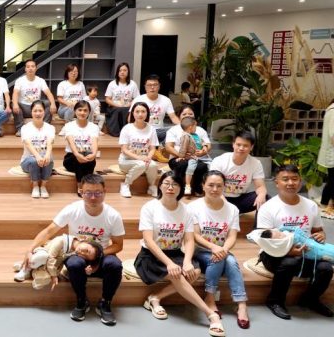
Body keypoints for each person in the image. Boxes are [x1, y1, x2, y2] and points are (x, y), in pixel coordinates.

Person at [22, 174, 125, 325]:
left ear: (105, 192)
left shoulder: (113, 215)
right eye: (88, 193)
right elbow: (49, 231)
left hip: (101, 254)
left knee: (115, 265)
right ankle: (82, 301)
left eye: (98, 193)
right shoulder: (72, 209)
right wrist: (30, 249)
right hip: (77, 253)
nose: (93, 197)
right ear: (81, 192)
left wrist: (97, 256)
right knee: (74, 264)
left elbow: (118, 245)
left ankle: (105, 302)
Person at [135, 171, 225, 337]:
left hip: (175, 252)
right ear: (160, 186)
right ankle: (210, 314)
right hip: (151, 255)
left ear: (181, 188)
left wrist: (187, 261)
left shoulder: (186, 210)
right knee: (176, 274)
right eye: (167, 183)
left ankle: (155, 298)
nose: (170, 187)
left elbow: (189, 240)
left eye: (175, 184)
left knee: (194, 271)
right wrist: (169, 263)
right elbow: (149, 241)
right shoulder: (149, 207)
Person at [257, 164, 333, 320]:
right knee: (291, 262)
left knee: (326, 268)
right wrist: (288, 251)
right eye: (285, 179)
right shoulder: (268, 207)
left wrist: (320, 236)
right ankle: (274, 301)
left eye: (294, 179)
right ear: (276, 183)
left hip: (305, 253)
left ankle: (310, 299)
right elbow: (264, 241)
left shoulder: (311, 205)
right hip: (272, 254)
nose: (290, 183)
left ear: (300, 181)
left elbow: (318, 230)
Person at [189, 171, 250, 329]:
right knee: (222, 259)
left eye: (219, 186)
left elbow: (232, 236)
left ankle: (240, 304)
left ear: (224, 187)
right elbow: (195, 235)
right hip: (199, 250)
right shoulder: (193, 207)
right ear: (203, 186)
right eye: (211, 185)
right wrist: (214, 247)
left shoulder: (232, 209)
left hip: (222, 250)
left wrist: (223, 249)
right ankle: (211, 298)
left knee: (230, 261)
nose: (215, 189)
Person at [209, 130, 267, 214]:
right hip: (220, 197)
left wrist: (261, 196)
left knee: (265, 197)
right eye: (238, 145)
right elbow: (213, 186)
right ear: (233, 144)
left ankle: (257, 224)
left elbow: (260, 186)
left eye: (245, 146)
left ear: (251, 147)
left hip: (240, 199)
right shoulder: (219, 161)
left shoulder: (256, 163)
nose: (241, 148)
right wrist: (226, 205)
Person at [165, 106, 211, 195]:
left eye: (190, 114)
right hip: (178, 157)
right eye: (184, 114)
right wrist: (181, 155)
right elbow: (168, 147)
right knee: (183, 164)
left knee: (202, 166)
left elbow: (207, 144)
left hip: (196, 158)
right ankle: (180, 187)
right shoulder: (173, 130)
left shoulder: (200, 130)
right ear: (179, 116)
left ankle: (197, 188)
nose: (187, 116)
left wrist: (204, 151)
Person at [118, 102, 159, 198]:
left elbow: (152, 148)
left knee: (153, 165)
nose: (140, 114)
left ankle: (151, 186)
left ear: (147, 113)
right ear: (132, 113)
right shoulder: (127, 128)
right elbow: (124, 150)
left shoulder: (151, 129)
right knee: (141, 164)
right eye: (137, 111)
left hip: (144, 160)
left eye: (143, 111)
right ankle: (126, 184)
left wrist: (148, 158)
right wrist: (140, 158)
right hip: (126, 161)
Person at [12, 59, 57, 137]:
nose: (30, 68)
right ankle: (20, 129)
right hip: (24, 108)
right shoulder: (20, 80)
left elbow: (48, 93)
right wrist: (15, 104)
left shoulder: (40, 80)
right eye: (28, 67)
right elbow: (15, 93)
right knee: (14, 104)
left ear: (36, 68)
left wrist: (53, 104)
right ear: (25, 69)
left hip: (36, 108)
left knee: (49, 103)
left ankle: (44, 127)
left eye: (32, 66)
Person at [19, 100, 55, 199]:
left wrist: (47, 155)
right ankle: (35, 186)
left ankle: (43, 186)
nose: (38, 113)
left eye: (40, 111)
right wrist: (38, 156)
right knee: (34, 161)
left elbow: (50, 143)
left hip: (44, 160)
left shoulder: (50, 128)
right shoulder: (25, 128)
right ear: (31, 112)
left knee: (49, 159)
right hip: (28, 161)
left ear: (44, 112)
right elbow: (28, 144)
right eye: (35, 111)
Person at [130, 74, 179, 144]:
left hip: (159, 131)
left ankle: (159, 145)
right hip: (143, 130)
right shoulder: (138, 99)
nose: (152, 87)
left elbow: (173, 117)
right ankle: (157, 144)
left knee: (173, 130)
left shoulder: (166, 100)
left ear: (159, 86)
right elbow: (130, 118)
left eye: (155, 85)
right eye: (149, 85)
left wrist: (182, 126)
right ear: (145, 87)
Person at [61, 100, 99, 186]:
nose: (82, 113)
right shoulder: (69, 126)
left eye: (85, 110)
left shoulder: (94, 127)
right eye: (80, 110)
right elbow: (71, 143)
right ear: (75, 111)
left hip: (87, 156)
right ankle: (80, 186)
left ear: (89, 112)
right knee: (79, 159)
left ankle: (88, 186)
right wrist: (78, 155)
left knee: (89, 159)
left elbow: (94, 142)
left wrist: (93, 154)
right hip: (71, 158)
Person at [104, 63, 138, 137]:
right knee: (119, 109)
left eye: (125, 70)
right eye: (120, 70)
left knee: (127, 110)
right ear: (117, 72)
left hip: (128, 106)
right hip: (115, 107)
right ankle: (116, 132)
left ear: (128, 72)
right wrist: (117, 105)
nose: (122, 72)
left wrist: (129, 104)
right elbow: (107, 99)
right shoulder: (112, 84)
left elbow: (136, 98)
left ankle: (128, 132)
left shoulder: (133, 84)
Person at [318, 98, 334, 213]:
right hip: (332, 152)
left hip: (331, 152)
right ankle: (325, 203)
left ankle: (326, 203)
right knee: (333, 180)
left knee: (332, 180)